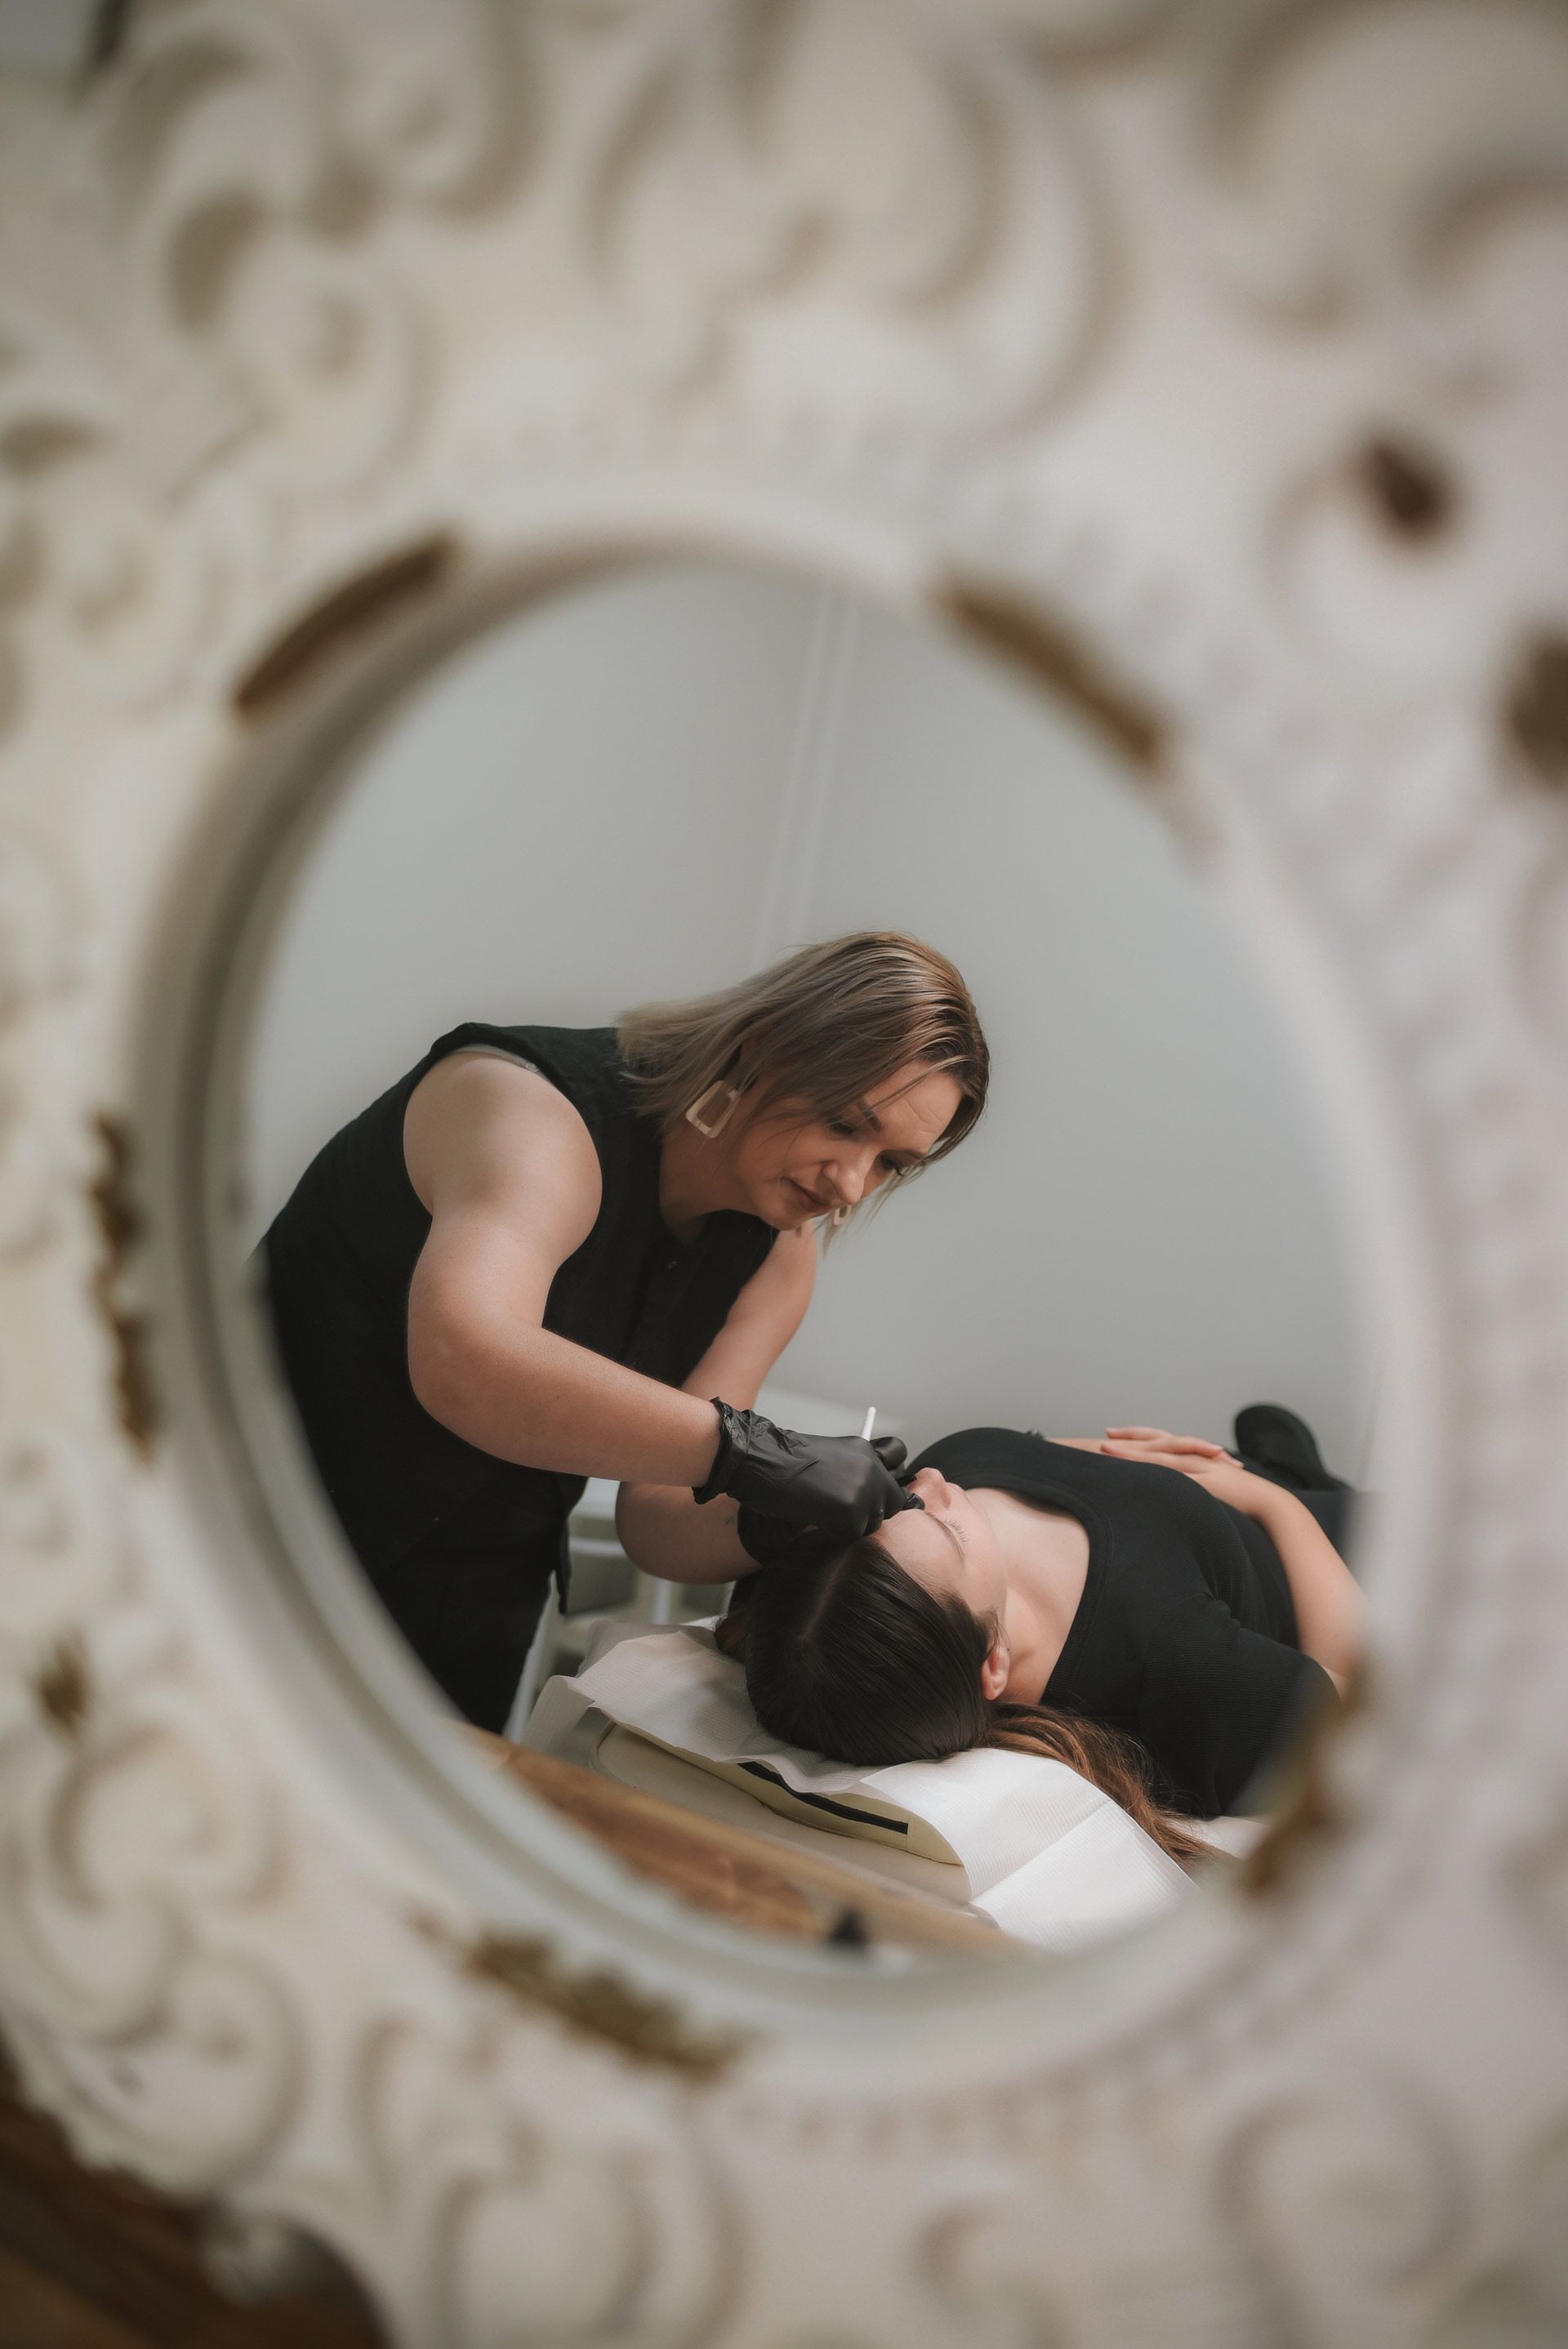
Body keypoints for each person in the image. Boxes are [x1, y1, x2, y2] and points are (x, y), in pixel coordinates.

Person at [260, 934, 987, 1729]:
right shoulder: (532, 1112)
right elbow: (464, 1359)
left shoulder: (778, 1258)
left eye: (890, 1163)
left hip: (462, 1612)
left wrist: (765, 1513)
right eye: (843, 1123)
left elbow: (657, 1520)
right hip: (252, 1531)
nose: (849, 1183)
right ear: (759, 1050)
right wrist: (754, 1452)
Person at [700, 1415, 1364, 1842]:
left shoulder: (927, 1503)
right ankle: (1299, 1477)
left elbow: (1048, 1456)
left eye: (900, 1497)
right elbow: (1362, 1698)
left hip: (1222, 1498)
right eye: (949, 1529)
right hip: (1342, 1559)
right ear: (992, 1662)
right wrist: (1273, 1503)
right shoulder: (1182, 1664)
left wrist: (1151, 1465)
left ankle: (1289, 1464)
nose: (933, 1478)